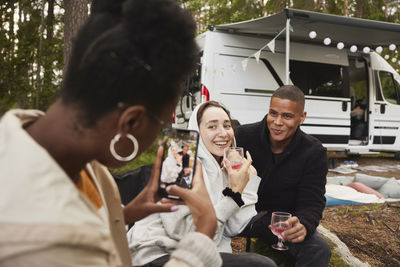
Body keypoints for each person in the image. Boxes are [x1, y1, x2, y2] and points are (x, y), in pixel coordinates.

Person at [0, 0, 222, 266]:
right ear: (131, 123)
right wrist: (204, 231)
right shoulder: (48, 239)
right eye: (162, 123)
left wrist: (123, 214)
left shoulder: (60, 154)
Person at [127, 101, 277, 267]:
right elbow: (188, 234)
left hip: (201, 253)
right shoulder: (181, 162)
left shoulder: (227, 167)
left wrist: (248, 184)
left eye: (227, 125)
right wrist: (233, 197)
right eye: (212, 127)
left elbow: (233, 228)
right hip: (159, 255)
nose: (223, 133)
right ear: (196, 130)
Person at [235, 85, 331, 266]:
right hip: (240, 215)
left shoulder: (314, 151)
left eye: (287, 116)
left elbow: (312, 202)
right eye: (273, 113)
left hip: (280, 224)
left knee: (319, 249)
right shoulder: (243, 136)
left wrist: (303, 224)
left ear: (302, 117)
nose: (277, 122)